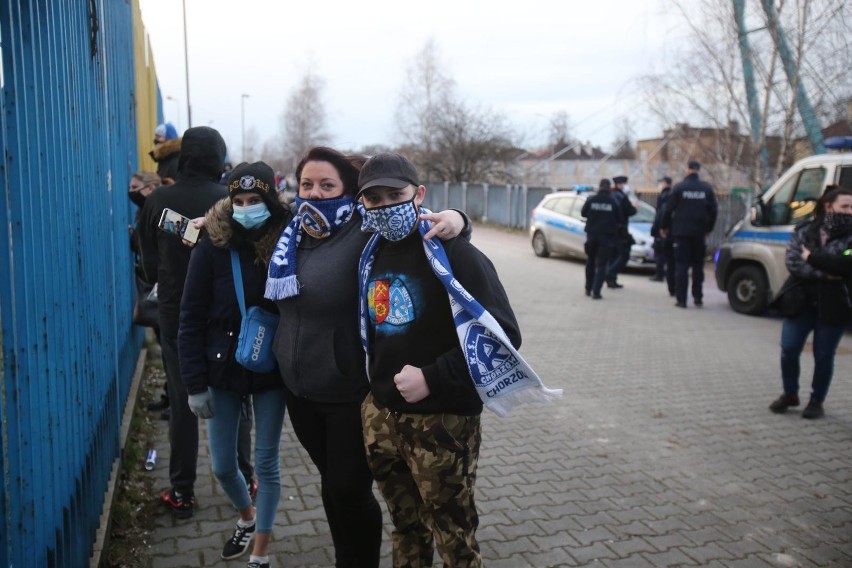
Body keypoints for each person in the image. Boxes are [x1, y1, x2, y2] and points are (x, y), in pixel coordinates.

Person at [264, 146, 468, 568]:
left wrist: (458, 220)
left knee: (348, 490)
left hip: (349, 393)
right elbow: (240, 214)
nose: (315, 194)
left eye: (327, 185)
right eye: (307, 184)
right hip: (299, 392)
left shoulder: (366, 231)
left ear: (349, 192)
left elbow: (413, 222)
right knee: (331, 486)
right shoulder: (290, 232)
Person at [355, 153, 522, 567]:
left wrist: (434, 376)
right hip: (382, 419)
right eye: (374, 199)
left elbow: (503, 337)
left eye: (396, 195)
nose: (385, 206)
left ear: (420, 195)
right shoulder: (368, 253)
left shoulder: (455, 255)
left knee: (454, 537)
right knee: (406, 528)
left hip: (442, 424)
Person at [138, 126, 254, 518]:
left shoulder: (158, 201)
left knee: (185, 398)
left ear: (183, 156)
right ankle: (247, 477)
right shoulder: (230, 200)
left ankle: (182, 490)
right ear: (220, 158)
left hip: (175, 316)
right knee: (235, 397)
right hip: (226, 316)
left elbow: (149, 264)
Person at [179, 162, 287, 567]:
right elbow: (189, 317)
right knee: (223, 465)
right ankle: (246, 517)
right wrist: (193, 384)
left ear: (270, 201)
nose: (245, 208)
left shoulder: (289, 240)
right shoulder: (212, 243)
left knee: (266, 462)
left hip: (272, 367)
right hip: (222, 367)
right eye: (238, 200)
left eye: (254, 200)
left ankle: (259, 554)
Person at [769, 187, 852, 419]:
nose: (850, 211)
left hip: (834, 303)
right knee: (789, 348)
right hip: (800, 300)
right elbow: (794, 262)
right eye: (845, 206)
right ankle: (790, 393)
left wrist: (814, 259)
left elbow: (846, 266)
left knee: (824, 354)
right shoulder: (805, 231)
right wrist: (829, 269)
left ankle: (817, 401)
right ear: (829, 206)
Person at [128, 172, 171, 417]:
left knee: (170, 349)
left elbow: (147, 243)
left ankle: (175, 401)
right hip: (157, 287)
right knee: (166, 349)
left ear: (150, 188)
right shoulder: (148, 210)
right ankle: (170, 396)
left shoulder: (160, 211)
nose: (132, 192)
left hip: (164, 289)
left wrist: (135, 234)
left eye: (136, 187)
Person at [660, 160, 718, 308]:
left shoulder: (679, 188)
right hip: (699, 233)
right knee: (698, 265)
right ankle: (698, 297)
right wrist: (708, 229)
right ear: (698, 170)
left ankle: (682, 300)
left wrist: (664, 227)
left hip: (681, 233)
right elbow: (713, 211)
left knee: (681, 266)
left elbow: (668, 209)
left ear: (687, 170)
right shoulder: (706, 188)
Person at [581, 179, 621, 299]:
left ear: (599, 187)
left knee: (590, 262)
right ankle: (596, 291)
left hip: (592, 236)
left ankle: (588, 288)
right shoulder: (613, 201)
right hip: (606, 238)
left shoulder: (591, 199)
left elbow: (583, 213)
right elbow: (619, 218)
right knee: (602, 265)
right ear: (609, 188)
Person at [605, 175, 636, 288]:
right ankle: (610, 274)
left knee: (613, 255)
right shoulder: (621, 196)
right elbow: (630, 211)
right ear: (621, 184)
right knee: (623, 255)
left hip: (611, 230)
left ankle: (611, 279)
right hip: (621, 230)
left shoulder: (611, 195)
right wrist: (635, 207)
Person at [649, 176, 674, 290]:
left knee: (660, 253)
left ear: (666, 183)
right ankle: (661, 274)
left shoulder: (665, 196)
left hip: (663, 229)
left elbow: (661, 214)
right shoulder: (671, 194)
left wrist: (658, 228)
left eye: (661, 182)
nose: (660, 185)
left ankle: (660, 274)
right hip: (670, 229)